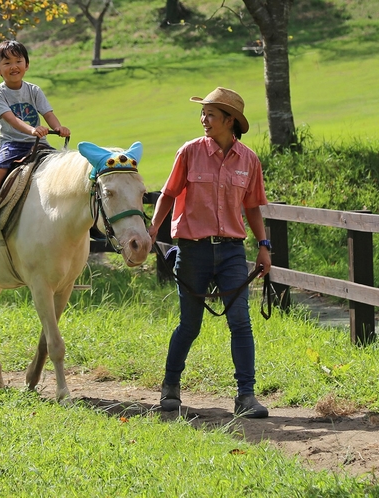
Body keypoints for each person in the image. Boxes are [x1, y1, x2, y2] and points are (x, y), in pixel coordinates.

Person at [148, 87, 273, 418]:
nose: (204, 119)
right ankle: (170, 387)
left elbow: (253, 207)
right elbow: (168, 195)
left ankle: (246, 396)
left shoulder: (249, 160)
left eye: (211, 114)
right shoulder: (189, 152)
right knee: (190, 325)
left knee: (241, 322)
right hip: (193, 251)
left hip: (232, 250)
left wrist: (263, 247)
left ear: (230, 120)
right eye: (202, 114)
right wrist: (151, 230)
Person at [0, 40, 71, 238]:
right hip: (12, 143)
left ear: (27, 64)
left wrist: (58, 127)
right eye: (7, 63)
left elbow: (48, 113)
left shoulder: (34, 90)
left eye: (18, 61)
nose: (14, 66)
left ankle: (69, 211)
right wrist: (32, 130)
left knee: (61, 168)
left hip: (39, 143)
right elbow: (12, 119)